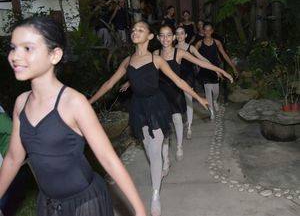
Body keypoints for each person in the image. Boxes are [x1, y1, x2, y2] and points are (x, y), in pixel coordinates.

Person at [0, 16, 146, 216]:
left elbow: (108, 158)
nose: (15, 56)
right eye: (13, 47)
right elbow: (13, 158)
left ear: (54, 55)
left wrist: (139, 210)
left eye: (27, 48)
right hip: (48, 204)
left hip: (86, 203)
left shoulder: (74, 103)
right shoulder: (21, 103)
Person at [89, 21, 208, 216]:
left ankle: (155, 195)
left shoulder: (156, 60)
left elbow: (178, 81)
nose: (135, 32)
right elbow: (110, 83)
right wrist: (89, 102)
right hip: (138, 108)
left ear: (150, 36)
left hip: (157, 106)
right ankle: (164, 158)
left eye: (140, 30)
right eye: (133, 29)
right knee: (150, 149)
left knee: (154, 152)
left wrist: (198, 98)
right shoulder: (127, 61)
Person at [154, 25, 233, 168]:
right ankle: (165, 158)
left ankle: (179, 146)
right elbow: (144, 68)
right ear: (159, 38)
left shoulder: (179, 53)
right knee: (162, 126)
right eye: (162, 35)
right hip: (160, 94)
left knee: (177, 119)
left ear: (172, 38)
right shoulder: (155, 53)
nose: (165, 38)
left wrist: (221, 71)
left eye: (168, 35)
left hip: (176, 91)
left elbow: (201, 62)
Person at [195, 22, 238, 119]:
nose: (207, 32)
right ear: (203, 31)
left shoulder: (217, 42)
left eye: (209, 30)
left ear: (212, 31)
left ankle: (214, 100)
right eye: (205, 30)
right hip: (205, 69)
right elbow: (193, 54)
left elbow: (224, 55)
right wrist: (197, 65)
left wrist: (233, 67)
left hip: (215, 69)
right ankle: (211, 111)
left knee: (216, 92)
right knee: (207, 89)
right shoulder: (199, 43)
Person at [175, 26, 210, 139]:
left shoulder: (190, 48)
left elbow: (201, 58)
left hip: (188, 78)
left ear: (185, 35)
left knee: (188, 101)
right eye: (177, 33)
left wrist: (212, 65)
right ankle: (181, 123)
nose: (180, 36)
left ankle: (189, 127)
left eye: (182, 33)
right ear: (175, 36)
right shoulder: (172, 48)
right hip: (176, 78)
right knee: (178, 103)